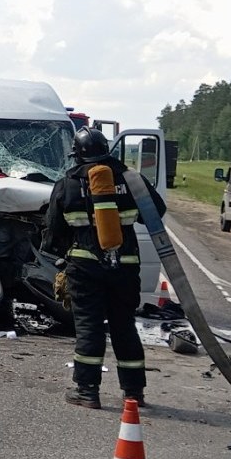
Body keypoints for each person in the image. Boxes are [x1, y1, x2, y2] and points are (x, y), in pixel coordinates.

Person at [43, 128, 168, 410]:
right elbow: (155, 214)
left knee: (89, 326)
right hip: (125, 267)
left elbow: (53, 231)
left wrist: (66, 252)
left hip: (84, 267)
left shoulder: (68, 183)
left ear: (78, 154)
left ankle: (87, 391)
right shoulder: (131, 178)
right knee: (124, 326)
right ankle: (134, 393)